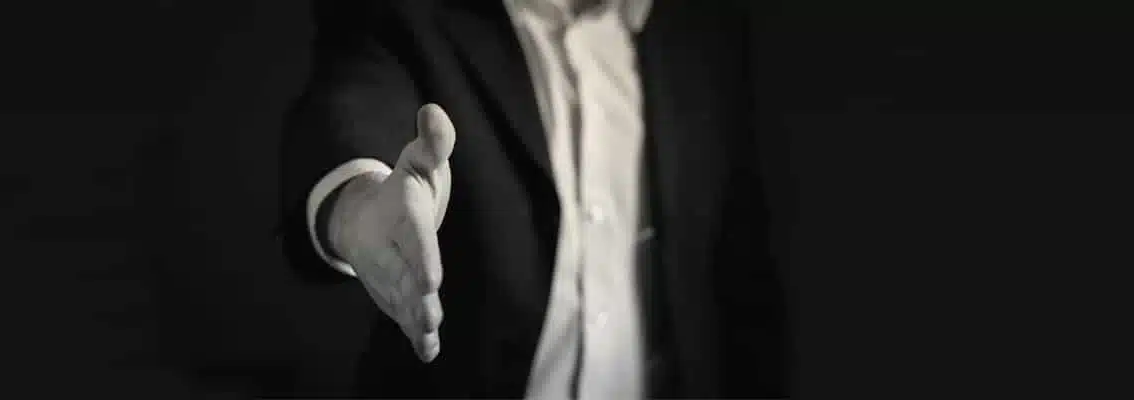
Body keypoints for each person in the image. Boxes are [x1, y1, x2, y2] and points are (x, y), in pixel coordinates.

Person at [279, 0, 788, 397]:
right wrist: (358, 207)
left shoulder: (705, 31)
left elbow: (741, 279)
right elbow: (350, 106)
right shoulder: (407, 13)